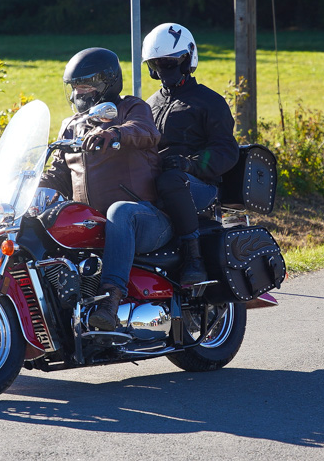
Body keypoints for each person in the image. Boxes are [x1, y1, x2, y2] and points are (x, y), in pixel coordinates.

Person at [39, 47, 173, 331]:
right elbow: (58, 172)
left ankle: (109, 302)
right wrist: (31, 188)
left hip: (145, 218)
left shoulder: (131, 108)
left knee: (120, 211)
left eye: (85, 85)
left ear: (106, 84)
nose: (78, 92)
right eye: (75, 86)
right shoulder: (72, 126)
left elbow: (145, 131)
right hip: (98, 222)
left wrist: (114, 133)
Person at [142, 23, 240, 286]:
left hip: (200, 186)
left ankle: (193, 256)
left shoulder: (210, 102)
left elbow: (226, 151)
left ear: (187, 59)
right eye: (155, 65)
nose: (162, 71)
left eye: (168, 64)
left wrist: (190, 165)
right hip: (160, 182)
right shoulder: (149, 105)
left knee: (171, 179)